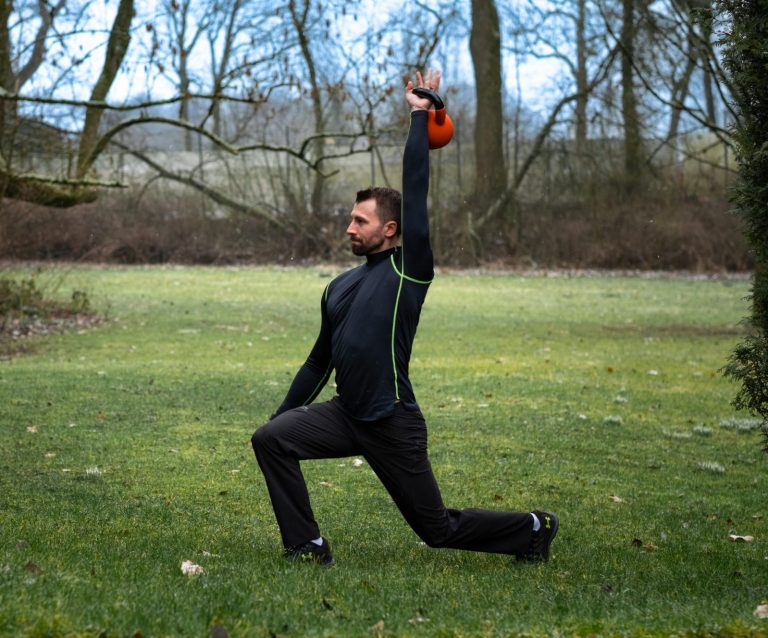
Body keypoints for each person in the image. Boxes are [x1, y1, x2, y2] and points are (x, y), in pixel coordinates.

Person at [251, 70, 558, 567]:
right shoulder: (339, 287)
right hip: (346, 414)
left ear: (391, 229)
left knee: (436, 530)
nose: (349, 227)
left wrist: (420, 116)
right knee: (271, 440)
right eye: (350, 219)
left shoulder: (408, 270)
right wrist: (283, 415)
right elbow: (316, 363)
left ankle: (532, 528)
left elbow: (415, 185)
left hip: (392, 422)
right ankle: (306, 545)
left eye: (360, 221)